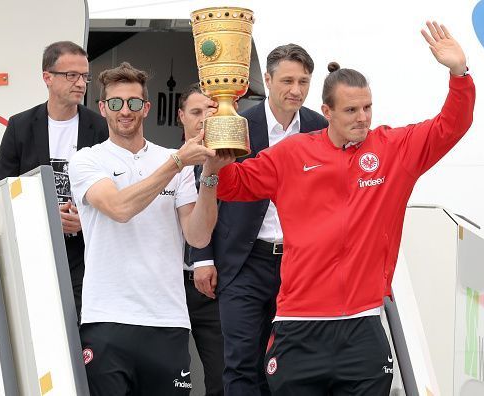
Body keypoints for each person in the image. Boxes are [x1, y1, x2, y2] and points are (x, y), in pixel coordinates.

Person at [212, 22, 475, 395]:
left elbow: (451, 126)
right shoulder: (292, 153)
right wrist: (213, 154)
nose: (362, 117)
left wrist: (458, 74)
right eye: (351, 110)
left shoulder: (393, 149)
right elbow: (232, 185)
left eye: (368, 108)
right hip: (298, 325)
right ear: (327, 112)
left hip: (362, 325)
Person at [68, 62, 231, 396]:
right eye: (115, 103)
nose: (124, 111)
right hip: (106, 318)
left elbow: (197, 237)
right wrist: (176, 165)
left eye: (132, 103)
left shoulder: (176, 160)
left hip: (167, 320)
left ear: (146, 108)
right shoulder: (87, 160)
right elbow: (119, 209)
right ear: (102, 109)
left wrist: (211, 175)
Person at [190, 43, 328, 395]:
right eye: (287, 81)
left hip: (301, 265)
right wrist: (202, 257)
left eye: (303, 81)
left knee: (287, 363)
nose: (296, 90)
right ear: (266, 79)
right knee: (240, 361)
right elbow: (203, 184)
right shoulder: (236, 123)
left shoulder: (320, 127)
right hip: (243, 262)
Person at [0, 41, 108, 319]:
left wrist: (85, 219)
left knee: (80, 331)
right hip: (34, 252)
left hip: (84, 254)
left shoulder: (101, 127)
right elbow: (1, 193)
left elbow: (116, 189)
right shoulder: (20, 126)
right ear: (47, 77)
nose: (81, 83)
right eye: (71, 75)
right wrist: (45, 215)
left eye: (84, 76)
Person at [178, 83, 225, 396]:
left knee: (222, 376)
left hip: (214, 289)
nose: (204, 119)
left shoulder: (235, 162)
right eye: (196, 112)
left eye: (212, 112)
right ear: (181, 116)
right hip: (167, 286)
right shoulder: (164, 161)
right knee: (169, 379)